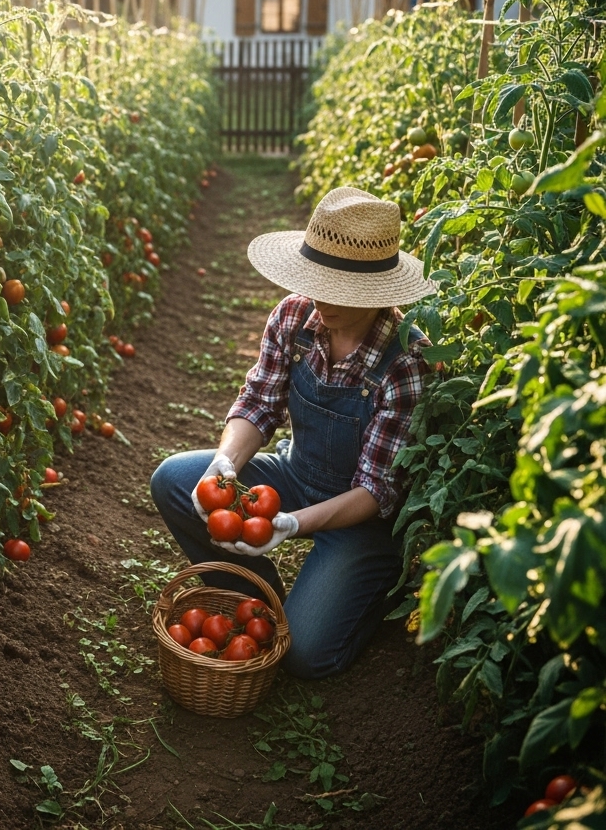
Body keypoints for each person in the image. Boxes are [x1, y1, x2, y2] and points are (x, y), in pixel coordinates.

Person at [151, 186, 437, 679]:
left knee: (305, 656)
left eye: (340, 290)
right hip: (295, 471)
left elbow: (376, 490)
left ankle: (373, 586)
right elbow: (258, 404)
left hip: (361, 520)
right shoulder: (293, 316)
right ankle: (258, 592)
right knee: (175, 480)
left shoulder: (407, 361)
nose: (322, 299)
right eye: (316, 281)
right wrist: (226, 463)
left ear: (377, 294)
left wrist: (291, 524)